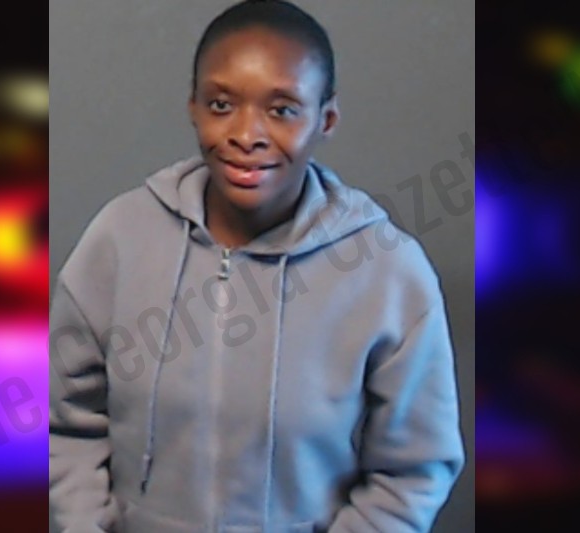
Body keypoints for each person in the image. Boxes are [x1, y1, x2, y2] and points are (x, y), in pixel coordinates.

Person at [49, 1, 464, 531]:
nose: (247, 135)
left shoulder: (388, 272)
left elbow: (413, 471)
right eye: (222, 104)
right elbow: (65, 424)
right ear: (193, 107)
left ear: (326, 119)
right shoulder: (119, 239)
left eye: (283, 110)